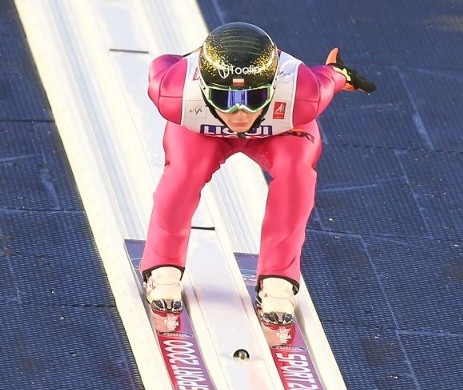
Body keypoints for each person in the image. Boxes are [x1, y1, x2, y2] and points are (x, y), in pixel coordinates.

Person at [140, 22, 375, 324]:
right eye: (226, 97)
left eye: (252, 97)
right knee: (183, 172)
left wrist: (340, 74)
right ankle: (163, 264)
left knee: (297, 172)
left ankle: (279, 275)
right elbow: (164, 67)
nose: (239, 113)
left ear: (275, 86)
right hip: (208, 131)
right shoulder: (174, 92)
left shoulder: (303, 93)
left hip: (277, 131)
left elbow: (330, 76)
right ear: (201, 86)